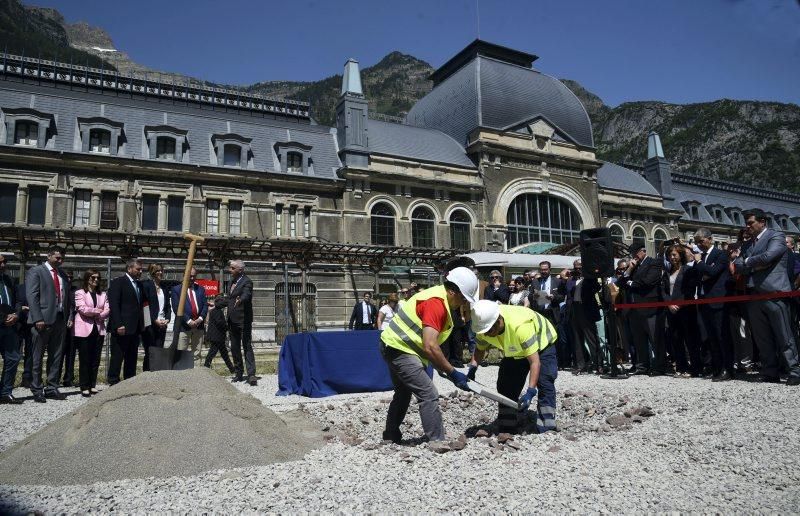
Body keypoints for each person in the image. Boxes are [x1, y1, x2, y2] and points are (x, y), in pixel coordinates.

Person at [379, 267, 478, 444]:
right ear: (451, 291)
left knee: (403, 393)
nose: (463, 302)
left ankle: (390, 435)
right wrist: (452, 372)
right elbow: (430, 345)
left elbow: (429, 345)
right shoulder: (436, 303)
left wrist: (441, 366)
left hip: (395, 346)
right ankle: (437, 441)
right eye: (463, 297)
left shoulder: (441, 300)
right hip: (400, 349)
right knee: (428, 392)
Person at [468, 301, 558, 434]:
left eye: (489, 331)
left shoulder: (520, 327)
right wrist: (472, 368)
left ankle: (547, 427)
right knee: (506, 385)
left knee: (544, 382)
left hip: (541, 344)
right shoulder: (484, 327)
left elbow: (535, 362)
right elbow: (480, 349)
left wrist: (531, 391)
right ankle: (507, 426)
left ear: (498, 321)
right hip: (515, 348)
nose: (486, 335)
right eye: (484, 332)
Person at [732, 210, 800, 385]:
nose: (747, 226)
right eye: (746, 223)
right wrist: (754, 264)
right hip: (754, 294)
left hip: (775, 292)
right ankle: (770, 371)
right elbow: (737, 265)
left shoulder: (776, 236)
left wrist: (748, 263)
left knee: (784, 335)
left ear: (762, 222)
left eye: (750, 223)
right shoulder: (747, 244)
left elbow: (769, 256)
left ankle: (794, 370)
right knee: (762, 337)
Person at [26, 245, 71, 402]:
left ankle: (52, 387)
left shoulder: (63, 275)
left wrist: (68, 317)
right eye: (57, 257)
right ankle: (36, 388)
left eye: (62, 258)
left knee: (56, 356)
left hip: (60, 319)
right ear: (49, 256)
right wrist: (38, 318)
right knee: (37, 356)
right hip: (42, 320)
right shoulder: (36, 271)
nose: (60, 260)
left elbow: (67, 298)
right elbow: (32, 296)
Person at [693, 228, 734, 381]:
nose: (699, 244)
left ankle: (727, 369)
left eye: (701, 241)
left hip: (718, 300)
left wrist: (698, 262)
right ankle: (716, 367)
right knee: (711, 337)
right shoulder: (702, 257)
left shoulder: (721, 254)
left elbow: (712, 272)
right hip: (704, 301)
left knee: (722, 336)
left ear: (710, 239)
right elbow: (700, 275)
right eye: (697, 242)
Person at [619, 245, 665, 375]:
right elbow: (620, 283)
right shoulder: (633, 267)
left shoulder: (653, 263)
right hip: (634, 309)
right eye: (632, 253)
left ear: (643, 251)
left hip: (650, 306)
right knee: (639, 340)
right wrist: (629, 269)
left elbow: (648, 281)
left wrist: (631, 283)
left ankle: (659, 366)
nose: (634, 255)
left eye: (636, 252)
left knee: (655, 338)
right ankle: (642, 366)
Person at [662, 244, 702, 377]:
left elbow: (689, 290)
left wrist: (678, 304)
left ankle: (695, 368)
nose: (672, 257)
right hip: (671, 311)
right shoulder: (667, 272)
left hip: (686, 309)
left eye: (674, 254)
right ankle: (681, 367)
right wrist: (669, 304)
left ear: (680, 255)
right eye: (670, 255)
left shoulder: (687, 270)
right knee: (676, 339)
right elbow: (663, 290)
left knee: (690, 340)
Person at [107, 258, 145, 386]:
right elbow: (114, 304)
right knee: (117, 356)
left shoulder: (139, 285)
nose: (141, 271)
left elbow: (141, 305)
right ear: (129, 269)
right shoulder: (118, 282)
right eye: (138, 269)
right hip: (122, 327)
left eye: (141, 269)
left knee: (132, 357)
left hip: (135, 328)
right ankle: (113, 382)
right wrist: (118, 324)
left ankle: (129, 382)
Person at [73, 269, 109, 397]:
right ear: (87, 278)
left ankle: (92, 385)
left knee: (95, 359)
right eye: (93, 277)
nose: (96, 280)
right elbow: (82, 309)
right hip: (84, 330)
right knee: (85, 359)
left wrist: (98, 313)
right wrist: (98, 311)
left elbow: (107, 309)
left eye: (98, 278)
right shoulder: (80, 293)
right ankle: (84, 385)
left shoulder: (102, 294)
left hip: (98, 329)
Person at [564, 259, 603, 374]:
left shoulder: (590, 278)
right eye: (576, 268)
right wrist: (567, 279)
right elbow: (566, 291)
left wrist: (587, 276)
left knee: (591, 338)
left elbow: (596, 288)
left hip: (586, 310)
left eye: (580, 268)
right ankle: (581, 365)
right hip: (575, 309)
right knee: (577, 339)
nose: (578, 270)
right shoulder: (571, 279)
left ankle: (598, 364)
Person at [223, 259, 255, 386]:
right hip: (232, 320)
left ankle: (251, 374)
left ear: (240, 270)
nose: (229, 270)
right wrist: (216, 305)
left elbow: (247, 295)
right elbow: (230, 298)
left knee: (246, 345)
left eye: (232, 268)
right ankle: (239, 373)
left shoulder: (247, 281)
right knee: (235, 347)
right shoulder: (231, 281)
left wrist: (241, 300)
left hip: (243, 320)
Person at [171, 267, 207, 366]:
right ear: (184, 275)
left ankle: (196, 376)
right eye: (189, 276)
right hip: (183, 326)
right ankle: (182, 376)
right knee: (181, 352)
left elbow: (205, 306)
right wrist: (188, 321)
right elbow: (176, 308)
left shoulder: (200, 289)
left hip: (198, 326)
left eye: (194, 276)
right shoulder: (177, 290)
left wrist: (200, 319)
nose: (192, 278)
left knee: (197, 353)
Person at [140, 263, 171, 372]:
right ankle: (147, 373)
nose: (160, 273)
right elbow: (145, 306)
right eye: (158, 270)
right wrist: (154, 320)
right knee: (150, 351)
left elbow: (167, 306)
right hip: (150, 324)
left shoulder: (164, 288)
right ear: (152, 272)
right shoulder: (146, 285)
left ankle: (156, 375)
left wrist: (168, 319)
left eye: (161, 270)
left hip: (162, 323)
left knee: (159, 350)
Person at [0, 254, 21, 404]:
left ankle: (6, 392)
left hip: (10, 326)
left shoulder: (9, 280)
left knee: (13, 357)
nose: (3, 265)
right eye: (0, 262)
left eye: (5, 262)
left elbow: (18, 300)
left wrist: (16, 314)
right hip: (2, 322)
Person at [204, 295, 236, 374]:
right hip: (216, 337)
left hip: (218, 336)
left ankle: (232, 369)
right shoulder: (217, 311)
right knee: (213, 352)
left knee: (223, 353)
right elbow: (220, 323)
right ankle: (205, 367)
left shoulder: (216, 310)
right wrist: (227, 327)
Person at [528, 261, 565, 326]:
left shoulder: (557, 281)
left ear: (550, 270)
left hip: (552, 313)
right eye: (541, 270)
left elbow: (562, 297)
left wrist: (554, 297)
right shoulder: (535, 281)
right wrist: (534, 296)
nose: (543, 272)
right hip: (539, 313)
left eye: (545, 270)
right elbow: (529, 296)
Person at [59, 270, 77, 387]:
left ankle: (68, 378)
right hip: (60, 326)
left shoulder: (75, 291)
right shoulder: (60, 289)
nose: (69, 279)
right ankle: (55, 378)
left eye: (71, 277)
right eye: (67, 277)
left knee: (71, 354)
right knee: (58, 354)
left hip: (73, 327)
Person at [15, 282, 33, 389]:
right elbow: (15, 301)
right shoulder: (19, 287)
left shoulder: (39, 287)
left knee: (30, 352)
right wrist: (21, 308)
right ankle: (11, 378)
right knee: (15, 351)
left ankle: (27, 378)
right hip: (19, 322)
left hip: (32, 322)